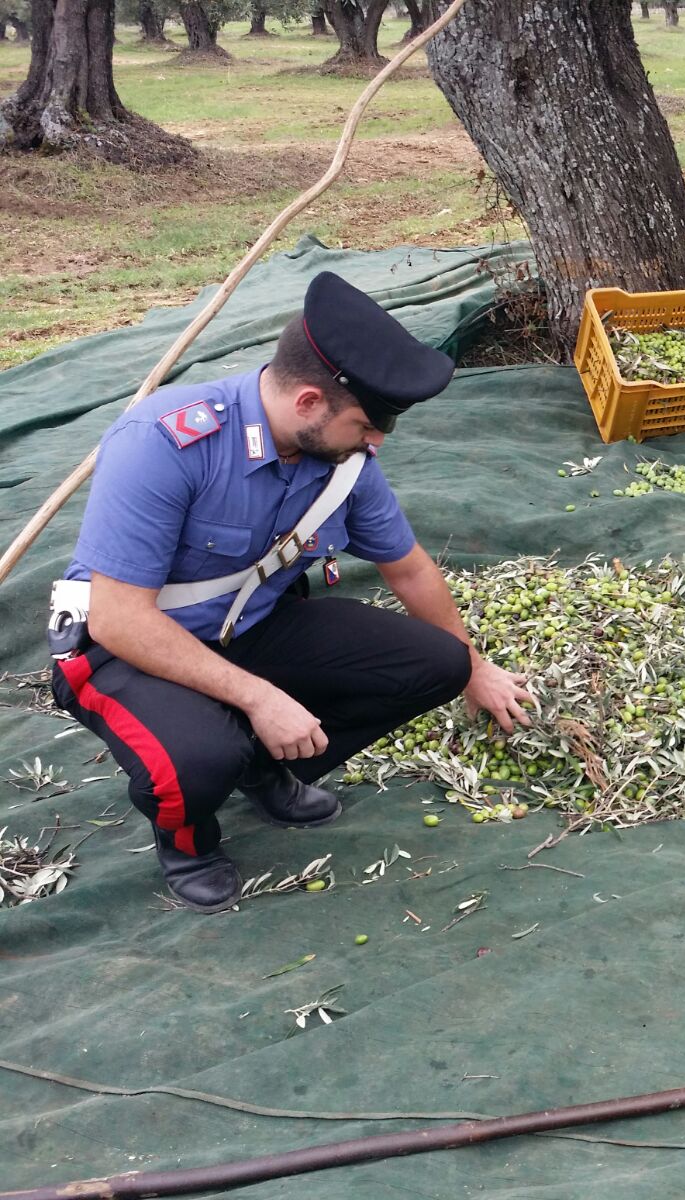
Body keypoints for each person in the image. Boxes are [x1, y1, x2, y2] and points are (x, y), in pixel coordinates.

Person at [48, 271, 533, 913]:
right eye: (366, 423)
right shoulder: (165, 443)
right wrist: (259, 698)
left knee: (436, 662)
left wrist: (473, 667)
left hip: (249, 626)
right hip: (123, 647)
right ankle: (189, 841)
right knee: (198, 756)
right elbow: (119, 620)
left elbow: (409, 567)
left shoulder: (343, 462)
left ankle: (261, 767)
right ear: (308, 403)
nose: (377, 441)